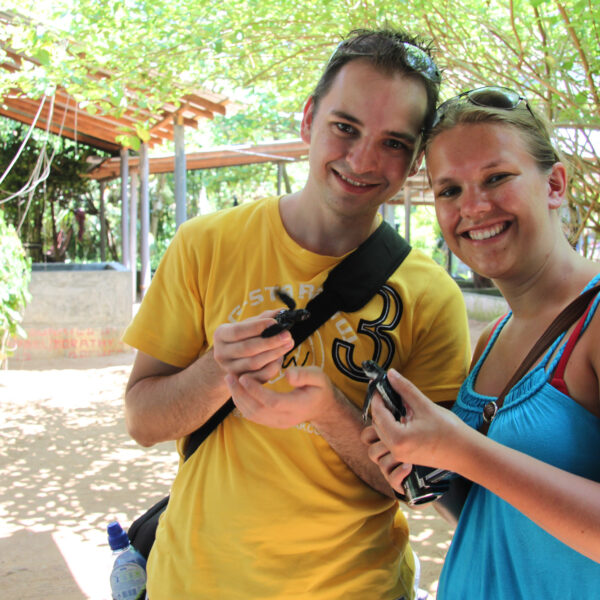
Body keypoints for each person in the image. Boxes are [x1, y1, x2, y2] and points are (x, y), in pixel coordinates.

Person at [122, 28, 471, 600]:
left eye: (393, 143)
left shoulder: (431, 297)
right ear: (309, 119)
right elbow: (143, 420)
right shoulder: (205, 245)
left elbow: (415, 486)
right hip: (195, 583)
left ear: (413, 161)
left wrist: (334, 414)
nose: (362, 159)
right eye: (345, 127)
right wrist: (217, 372)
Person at [362, 86, 600, 598]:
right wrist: (427, 468)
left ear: (554, 183)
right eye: (449, 190)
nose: (473, 207)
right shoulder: (492, 338)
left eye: (496, 178)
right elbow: (497, 513)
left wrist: (464, 450)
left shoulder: (594, 320)